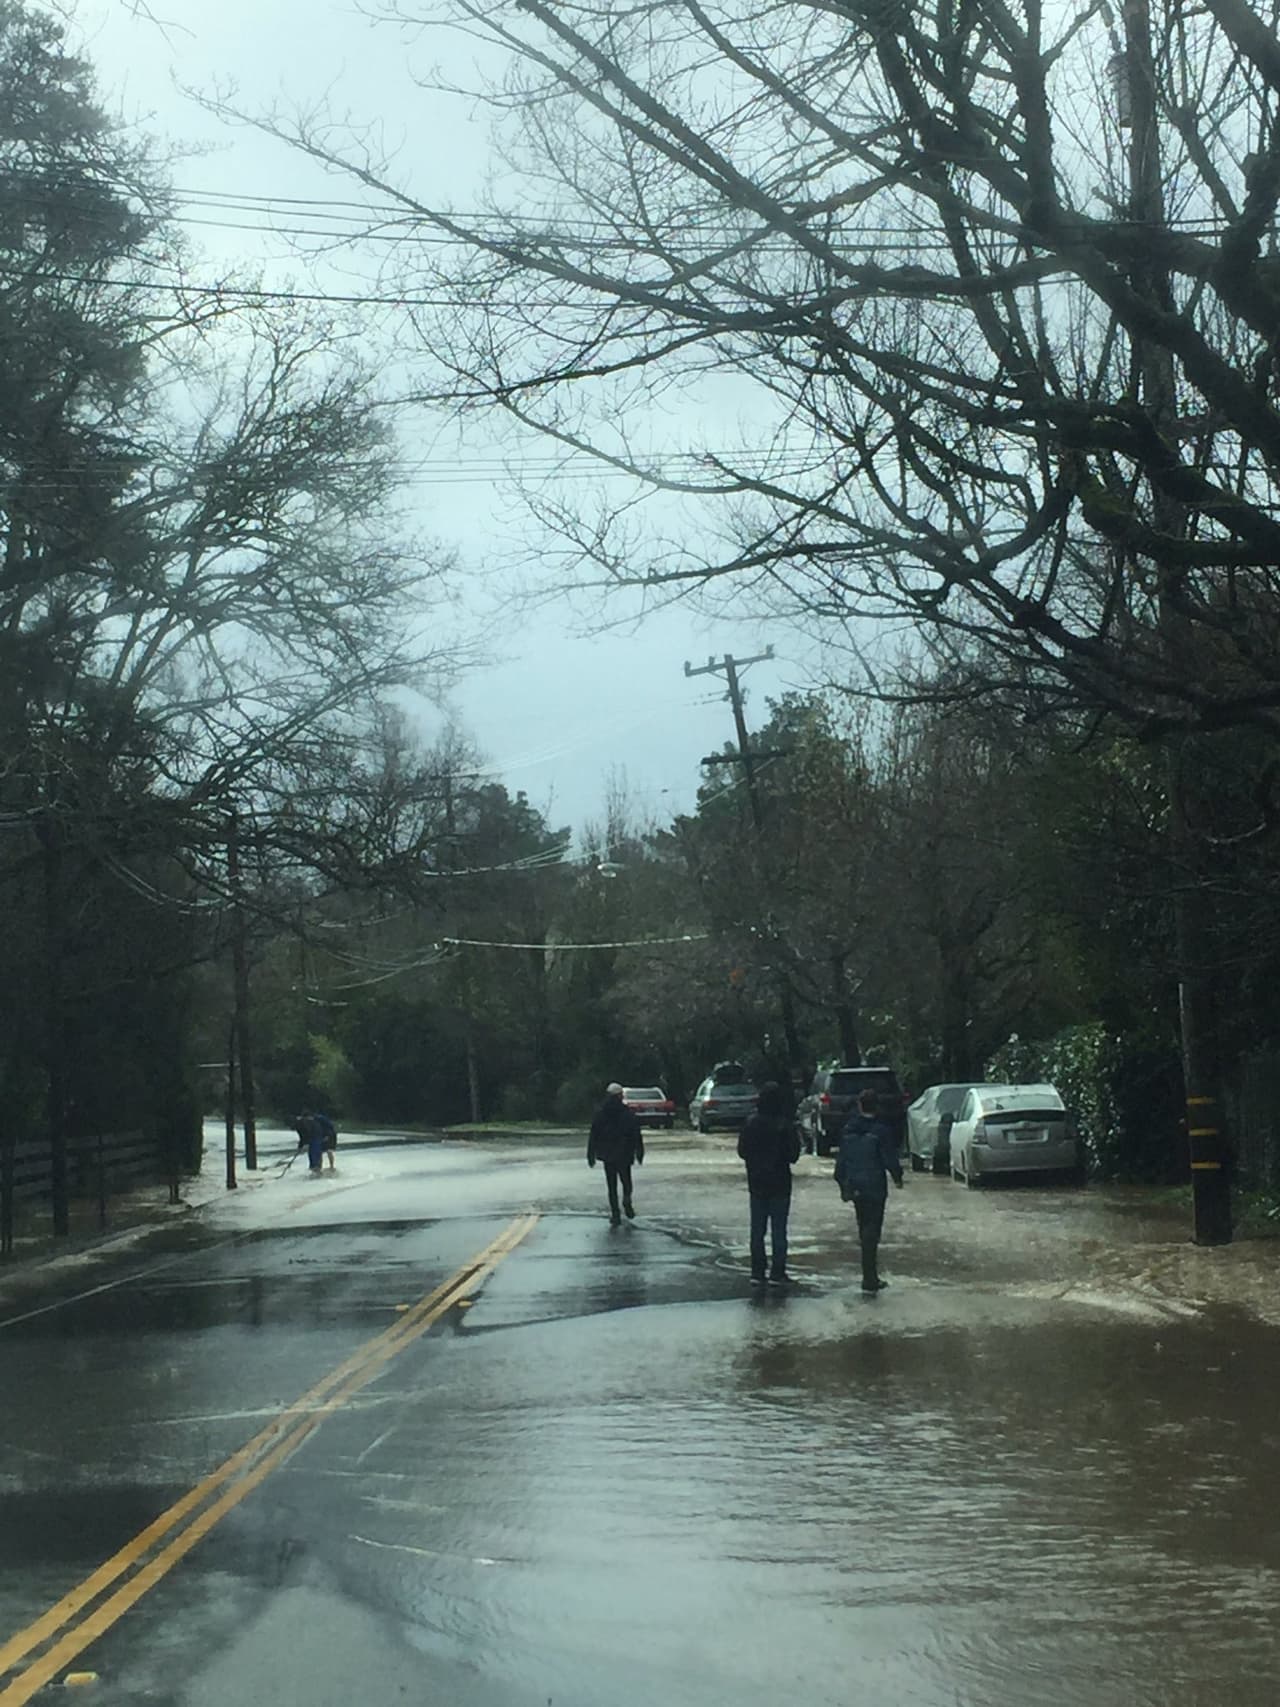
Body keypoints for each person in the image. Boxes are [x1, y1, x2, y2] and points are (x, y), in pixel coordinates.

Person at [835, 1087, 904, 1293]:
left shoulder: (848, 1129)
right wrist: (898, 1177)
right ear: (877, 1107)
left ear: (859, 1105)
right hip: (875, 1186)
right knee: (872, 1230)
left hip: (855, 1185)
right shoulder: (881, 1130)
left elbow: (841, 1162)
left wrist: (843, 1184)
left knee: (863, 1226)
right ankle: (870, 1278)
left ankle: (869, 1275)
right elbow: (889, 1158)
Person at [737, 1081, 801, 1285]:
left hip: (756, 1183)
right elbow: (794, 1155)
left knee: (757, 1230)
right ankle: (778, 1272)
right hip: (780, 1183)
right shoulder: (785, 1125)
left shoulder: (750, 1123)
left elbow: (742, 1151)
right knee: (779, 1231)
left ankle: (757, 1272)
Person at [587, 1082, 644, 1226]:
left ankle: (615, 1214)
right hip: (624, 1153)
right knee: (626, 1181)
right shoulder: (627, 1113)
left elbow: (594, 1134)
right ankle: (627, 1199)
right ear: (620, 1096)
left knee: (611, 1186)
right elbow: (636, 1134)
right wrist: (639, 1151)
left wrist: (591, 1154)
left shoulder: (600, 1113)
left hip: (608, 1154)